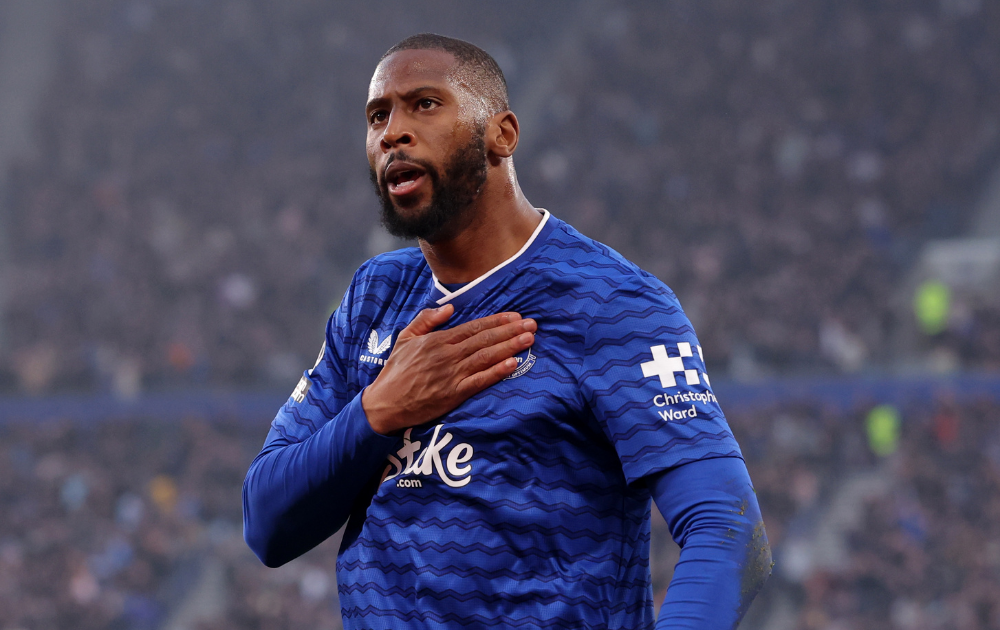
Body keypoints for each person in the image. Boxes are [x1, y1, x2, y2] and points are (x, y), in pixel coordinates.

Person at [243, 33, 771, 629]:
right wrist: (376, 412)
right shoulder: (374, 297)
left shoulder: (612, 302)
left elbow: (727, 530)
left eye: (424, 104)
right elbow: (267, 522)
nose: (392, 132)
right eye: (377, 116)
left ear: (502, 134)